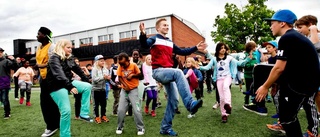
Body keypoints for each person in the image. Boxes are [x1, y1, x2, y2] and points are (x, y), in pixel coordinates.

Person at [256, 9, 320, 137]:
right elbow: (291, 66)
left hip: (301, 85)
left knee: (286, 118)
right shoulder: (294, 37)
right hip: (303, 83)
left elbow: (279, 68)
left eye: (272, 23)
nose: (270, 26)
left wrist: (265, 86)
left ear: (282, 23)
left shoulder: (287, 37)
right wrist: (276, 83)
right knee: (286, 117)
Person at [139, 18, 205, 136]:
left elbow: (182, 51)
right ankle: (190, 104)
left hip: (169, 73)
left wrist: (195, 48)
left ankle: (165, 128)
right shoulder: (154, 39)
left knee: (174, 100)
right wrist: (143, 34)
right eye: (164, 25)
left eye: (167, 25)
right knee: (178, 72)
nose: (167, 27)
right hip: (158, 71)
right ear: (158, 28)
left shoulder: (170, 42)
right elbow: (144, 45)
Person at [46, 39, 92, 137]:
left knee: (87, 87)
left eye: (71, 47)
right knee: (66, 111)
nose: (71, 49)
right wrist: (70, 86)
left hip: (67, 83)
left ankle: (83, 113)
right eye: (68, 47)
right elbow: (59, 74)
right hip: (56, 86)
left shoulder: (70, 58)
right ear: (61, 47)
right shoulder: (54, 58)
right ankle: (65, 135)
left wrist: (87, 80)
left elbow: (78, 70)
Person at [295, 15, 320, 137]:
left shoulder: (316, 36)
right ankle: (313, 131)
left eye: (300, 27)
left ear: (310, 25)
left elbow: (315, 48)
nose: (299, 30)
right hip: (312, 77)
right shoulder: (308, 38)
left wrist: (314, 29)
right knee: (309, 103)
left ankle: (313, 132)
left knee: (310, 103)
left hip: (316, 77)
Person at [200, 43, 237, 123]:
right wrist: (199, 67)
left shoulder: (230, 58)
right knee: (221, 98)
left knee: (226, 87)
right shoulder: (214, 59)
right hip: (219, 79)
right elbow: (207, 67)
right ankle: (224, 115)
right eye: (221, 48)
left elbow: (238, 63)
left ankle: (228, 105)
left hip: (228, 77)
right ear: (218, 50)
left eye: (224, 48)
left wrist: (247, 60)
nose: (223, 49)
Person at [35, 26, 60, 137]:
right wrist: (38, 74)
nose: (37, 35)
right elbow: (38, 62)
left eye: (39, 33)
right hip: (43, 78)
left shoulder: (52, 47)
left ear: (44, 35)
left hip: (52, 78)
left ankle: (51, 126)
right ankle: (55, 124)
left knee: (47, 103)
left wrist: (40, 65)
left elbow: (55, 63)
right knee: (48, 102)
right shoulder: (39, 47)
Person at [115, 52, 145, 136]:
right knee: (121, 110)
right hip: (124, 90)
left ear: (128, 60)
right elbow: (120, 77)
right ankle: (120, 126)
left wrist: (132, 75)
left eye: (124, 63)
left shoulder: (134, 65)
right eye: (121, 64)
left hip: (134, 90)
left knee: (137, 110)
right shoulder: (120, 66)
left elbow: (140, 75)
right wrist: (125, 85)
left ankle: (140, 127)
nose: (122, 66)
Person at [91, 55, 110, 124]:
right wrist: (103, 77)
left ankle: (103, 116)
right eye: (101, 60)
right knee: (96, 105)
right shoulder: (94, 69)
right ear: (97, 61)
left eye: (103, 60)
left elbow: (107, 80)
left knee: (103, 104)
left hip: (103, 89)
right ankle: (97, 117)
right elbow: (94, 80)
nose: (103, 62)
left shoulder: (106, 69)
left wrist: (108, 79)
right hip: (96, 89)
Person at [0, 47, 16, 119]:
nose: (0, 53)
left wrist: (14, 60)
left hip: (4, 82)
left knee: (4, 98)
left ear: (2, 53)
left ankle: (7, 113)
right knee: (2, 99)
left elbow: (14, 67)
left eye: (1, 52)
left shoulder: (6, 61)